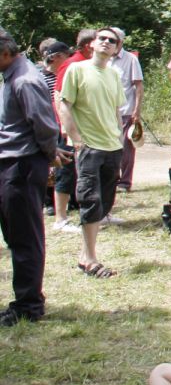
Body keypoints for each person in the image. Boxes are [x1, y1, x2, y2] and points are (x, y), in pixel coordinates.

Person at [0, 28, 62, 324]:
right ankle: (25, 299)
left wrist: (50, 156)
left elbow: (45, 125)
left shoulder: (25, 79)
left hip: (21, 166)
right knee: (15, 235)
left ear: (5, 52)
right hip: (12, 164)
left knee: (25, 237)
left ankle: (28, 305)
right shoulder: (11, 75)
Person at [56, 28, 126, 279]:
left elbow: (116, 110)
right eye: (102, 38)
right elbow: (64, 104)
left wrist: (120, 137)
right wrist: (76, 140)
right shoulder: (77, 69)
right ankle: (90, 259)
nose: (106, 42)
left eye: (112, 41)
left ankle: (85, 256)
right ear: (92, 44)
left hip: (112, 147)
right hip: (89, 147)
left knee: (105, 202)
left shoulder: (114, 74)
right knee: (90, 200)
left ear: (117, 48)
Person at [38, 40, 78, 230]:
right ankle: (50, 204)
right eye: (65, 56)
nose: (69, 59)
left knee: (67, 166)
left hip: (63, 126)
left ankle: (72, 201)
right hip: (50, 126)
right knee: (55, 167)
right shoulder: (40, 78)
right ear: (55, 58)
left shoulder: (65, 74)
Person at [107, 28, 144, 195]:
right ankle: (111, 179)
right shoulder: (103, 59)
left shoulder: (130, 59)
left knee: (125, 148)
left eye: (113, 40)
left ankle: (125, 181)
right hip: (105, 111)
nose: (109, 43)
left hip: (125, 109)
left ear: (120, 42)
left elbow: (138, 86)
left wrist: (137, 110)